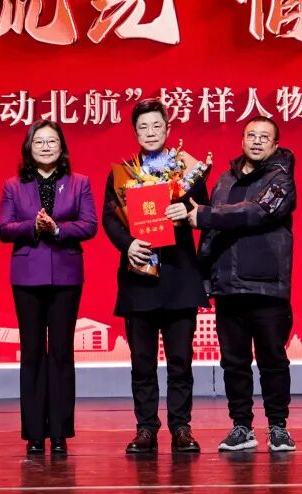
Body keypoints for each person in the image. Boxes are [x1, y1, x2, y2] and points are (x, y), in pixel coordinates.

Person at [102, 98, 208, 454]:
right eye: (143, 127)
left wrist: (186, 211)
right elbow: (109, 218)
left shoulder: (187, 169)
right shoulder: (123, 174)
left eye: (156, 126)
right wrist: (128, 244)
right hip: (140, 277)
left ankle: (181, 427)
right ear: (135, 133)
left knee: (180, 361)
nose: (150, 132)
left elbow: (205, 212)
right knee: (142, 363)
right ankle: (146, 428)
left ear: (168, 129)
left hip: (179, 277)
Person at [188, 116, 297, 452]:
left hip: (266, 288)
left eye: (265, 136)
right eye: (251, 135)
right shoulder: (224, 180)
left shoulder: (281, 178)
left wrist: (205, 215)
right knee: (233, 362)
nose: (257, 141)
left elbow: (256, 212)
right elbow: (211, 234)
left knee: (272, 360)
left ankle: (278, 427)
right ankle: (241, 427)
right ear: (242, 139)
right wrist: (204, 277)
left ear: (275, 144)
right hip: (228, 288)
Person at [0, 120, 98, 456]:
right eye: (38, 141)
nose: (45, 147)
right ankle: (35, 433)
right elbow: (3, 228)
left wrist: (56, 230)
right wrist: (34, 227)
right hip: (27, 277)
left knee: (62, 353)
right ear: (29, 147)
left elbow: (89, 225)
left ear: (61, 146)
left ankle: (60, 433)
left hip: (66, 276)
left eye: (51, 141)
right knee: (32, 352)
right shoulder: (14, 186)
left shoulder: (79, 182)